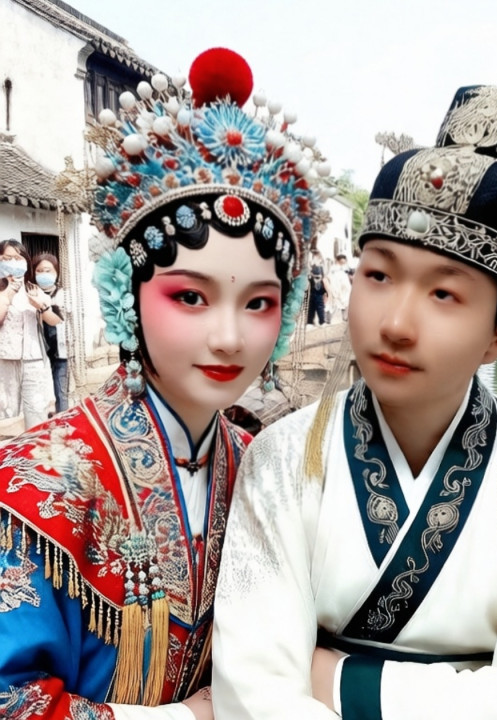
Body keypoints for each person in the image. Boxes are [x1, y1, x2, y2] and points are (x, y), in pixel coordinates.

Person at [213, 83, 497, 719]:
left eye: (443, 294)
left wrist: (337, 681)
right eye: (378, 275)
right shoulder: (279, 462)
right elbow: (255, 689)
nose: (396, 323)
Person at [0, 47, 327, 719]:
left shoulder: (261, 467)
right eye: (190, 297)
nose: (229, 337)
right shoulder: (36, 482)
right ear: (127, 293)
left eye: (259, 303)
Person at [0, 239, 58, 430]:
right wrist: (8, 293)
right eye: (7, 258)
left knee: (36, 412)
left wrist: (42, 306)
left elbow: (53, 320)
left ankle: (35, 446)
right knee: (6, 413)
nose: (13, 263)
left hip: (33, 360)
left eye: (18, 258)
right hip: (5, 360)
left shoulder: (33, 288)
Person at [31, 253, 70, 413]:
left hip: (60, 352)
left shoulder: (64, 295)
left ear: (56, 272)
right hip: (37, 354)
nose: (43, 274)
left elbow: (61, 321)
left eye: (48, 270)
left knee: (61, 392)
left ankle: (63, 420)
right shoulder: (30, 294)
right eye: (39, 271)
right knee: (39, 396)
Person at [326, 252, 352, 323]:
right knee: (333, 303)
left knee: (345, 302)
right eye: (341, 261)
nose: (343, 262)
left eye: (344, 261)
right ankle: (328, 319)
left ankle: (345, 317)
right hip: (336, 286)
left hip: (344, 288)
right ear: (338, 261)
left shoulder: (345, 268)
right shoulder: (333, 268)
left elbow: (347, 276)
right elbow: (329, 277)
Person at [307, 249, 329, 326]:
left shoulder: (319, 266)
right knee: (312, 306)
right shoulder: (313, 266)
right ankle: (311, 322)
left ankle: (320, 321)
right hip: (313, 287)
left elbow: (322, 276)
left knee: (318, 305)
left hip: (318, 288)